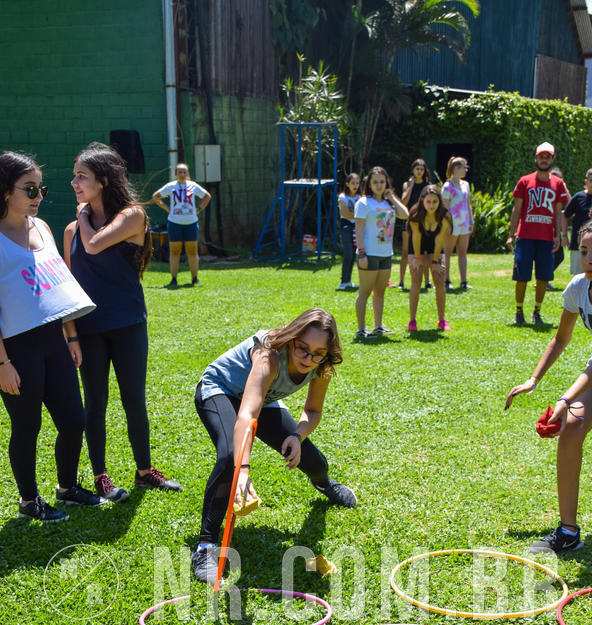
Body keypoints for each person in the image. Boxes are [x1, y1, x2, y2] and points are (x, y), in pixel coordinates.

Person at [192, 308, 356, 585]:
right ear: (292, 338)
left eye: (318, 353)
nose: (308, 359)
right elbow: (247, 415)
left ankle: (324, 484)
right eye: (303, 348)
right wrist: (243, 469)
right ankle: (205, 546)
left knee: (314, 461)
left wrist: (298, 436)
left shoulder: (322, 365)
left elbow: (313, 411)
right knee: (230, 457)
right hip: (221, 391)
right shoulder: (267, 354)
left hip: (263, 399)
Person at [64, 142, 182, 502]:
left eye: (81, 176)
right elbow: (67, 289)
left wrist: (83, 216)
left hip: (128, 324)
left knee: (134, 399)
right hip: (89, 329)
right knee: (95, 402)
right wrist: (71, 335)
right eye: (74, 176)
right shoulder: (71, 231)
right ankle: (101, 477)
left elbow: (95, 244)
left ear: (103, 180)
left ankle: (145, 471)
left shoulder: (132, 215)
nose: (74, 183)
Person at [0, 151, 100, 521]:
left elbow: (56, 289)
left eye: (41, 189)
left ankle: (67, 488)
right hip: (16, 347)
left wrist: (70, 337)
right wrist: (2, 363)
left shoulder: (41, 227)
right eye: (29, 189)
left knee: (74, 419)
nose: (38, 197)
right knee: (27, 426)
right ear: (5, 191)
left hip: (53, 340)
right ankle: (29, 501)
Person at [505, 213, 592, 553]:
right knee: (572, 427)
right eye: (584, 251)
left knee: (569, 413)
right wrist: (533, 380)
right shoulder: (578, 288)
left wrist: (564, 399)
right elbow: (560, 339)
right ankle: (568, 532)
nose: (589, 259)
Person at [506, 142, 569, 327]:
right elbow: (516, 210)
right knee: (521, 276)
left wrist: (558, 236)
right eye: (541, 156)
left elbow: (558, 212)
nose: (544, 160)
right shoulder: (524, 181)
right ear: (536, 158)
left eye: (547, 157)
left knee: (543, 277)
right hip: (525, 236)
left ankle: (537, 311)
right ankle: (519, 311)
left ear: (552, 159)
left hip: (547, 238)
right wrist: (511, 234)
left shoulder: (558, 183)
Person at [354, 167, 408, 339]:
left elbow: (405, 214)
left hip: (386, 253)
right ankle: (361, 329)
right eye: (375, 182)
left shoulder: (388, 203)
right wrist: (362, 253)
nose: (379, 185)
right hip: (369, 253)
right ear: (369, 184)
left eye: (382, 182)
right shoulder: (363, 203)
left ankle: (378, 326)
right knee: (365, 292)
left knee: (380, 292)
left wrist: (392, 198)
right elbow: (359, 230)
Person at [152, 162, 211, 288]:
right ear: (176, 174)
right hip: (175, 223)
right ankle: (174, 279)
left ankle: (195, 278)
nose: (182, 174)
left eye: (184, 172)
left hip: (191, 223)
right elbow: (156, 196)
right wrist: (168, 209)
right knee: (174, 251)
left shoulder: (193, 186)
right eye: (180, 172)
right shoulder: (171, 186)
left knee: (192, 251)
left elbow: (207, 196)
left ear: (187, 173)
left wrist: (199, 209)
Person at [407, 185, 452, 332]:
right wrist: (417, 258)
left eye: (435, 202)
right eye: (428, 202)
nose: (431, 205)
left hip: (435, 244)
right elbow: (416, 237)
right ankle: (412, 321)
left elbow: (440, 239)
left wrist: (435, 261)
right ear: (422, 200)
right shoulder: (415, 215)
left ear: (440, 201)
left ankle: (442, 320)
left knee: (439, 278)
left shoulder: (445, 216)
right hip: (417, 244)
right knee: (416, 279)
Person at [441, 157, 474, 291]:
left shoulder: (466, 184)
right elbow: (445, 208)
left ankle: (463, 281)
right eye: (464, 167)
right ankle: (446, 280)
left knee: (462, 252)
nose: (466, 170)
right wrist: (448, 225)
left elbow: (468, 204)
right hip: (452, 224)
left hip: (464, 224)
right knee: (447, 253)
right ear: (456, 168)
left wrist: (471, 221)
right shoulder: (447, 187)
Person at [399, 159, 431, 291]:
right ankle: (401, 281)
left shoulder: (428, 185)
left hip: (424, 221)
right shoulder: (406, 184)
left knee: (425, 252)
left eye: (421, 169)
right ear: (412, 170)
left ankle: (427, 281)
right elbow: (403, 202)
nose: (419, 171)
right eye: (417, 169)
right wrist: (411, 186)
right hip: (408, 220)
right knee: (405, 251)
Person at [563, 168, 592, 277]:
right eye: (591, 181)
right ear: (586, 181)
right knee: (578, 276)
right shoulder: (578, 197)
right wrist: (564, 236)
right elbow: (565, 216)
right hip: (578, 244)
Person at [336, 172, 360, 291]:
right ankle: (343, 282)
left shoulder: (360, 197)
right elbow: (344, 213)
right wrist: (358, 215)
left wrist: (355, 215)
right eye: (352, 183)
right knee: (348, 254)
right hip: (346, 228)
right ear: (347, 184)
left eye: (357, 183)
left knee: (354, 255)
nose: (355, 186)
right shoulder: (342, 197)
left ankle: (348, 281)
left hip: (357, 228)